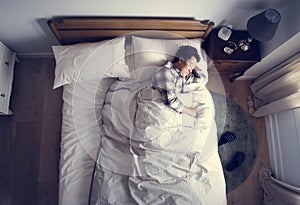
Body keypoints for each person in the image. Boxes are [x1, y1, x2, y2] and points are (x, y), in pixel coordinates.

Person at [152, 45, 203, 118]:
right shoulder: (166, 72)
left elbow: (200, 81)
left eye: (193, 68)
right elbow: (170, 100)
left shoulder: (182, 74)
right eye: (190, 65)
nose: (191, 70)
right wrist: (190, 111)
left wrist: (194, 68)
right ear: (181, 60)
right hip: (161, 111)